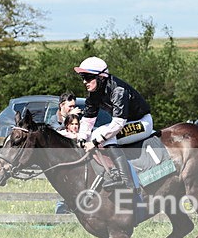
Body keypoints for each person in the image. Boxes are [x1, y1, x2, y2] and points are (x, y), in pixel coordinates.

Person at [74, 56, 153, 190]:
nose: (84, 82)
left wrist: (94, 142)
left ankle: (126, 181)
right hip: (125, 122)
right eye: (82, 77)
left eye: (87, 77)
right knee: (93, 134)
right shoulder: (95, 93)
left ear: (101, 77)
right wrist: (81, 137)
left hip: (141, 122)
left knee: (103, 136)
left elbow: (118, 123)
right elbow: (88, 119)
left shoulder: (118, 91)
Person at [53, 113, 81, 214]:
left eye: (76, 124)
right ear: (67, 125)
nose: (75, 126)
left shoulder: (81, 135)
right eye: (72, 124)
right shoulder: (62, 135)